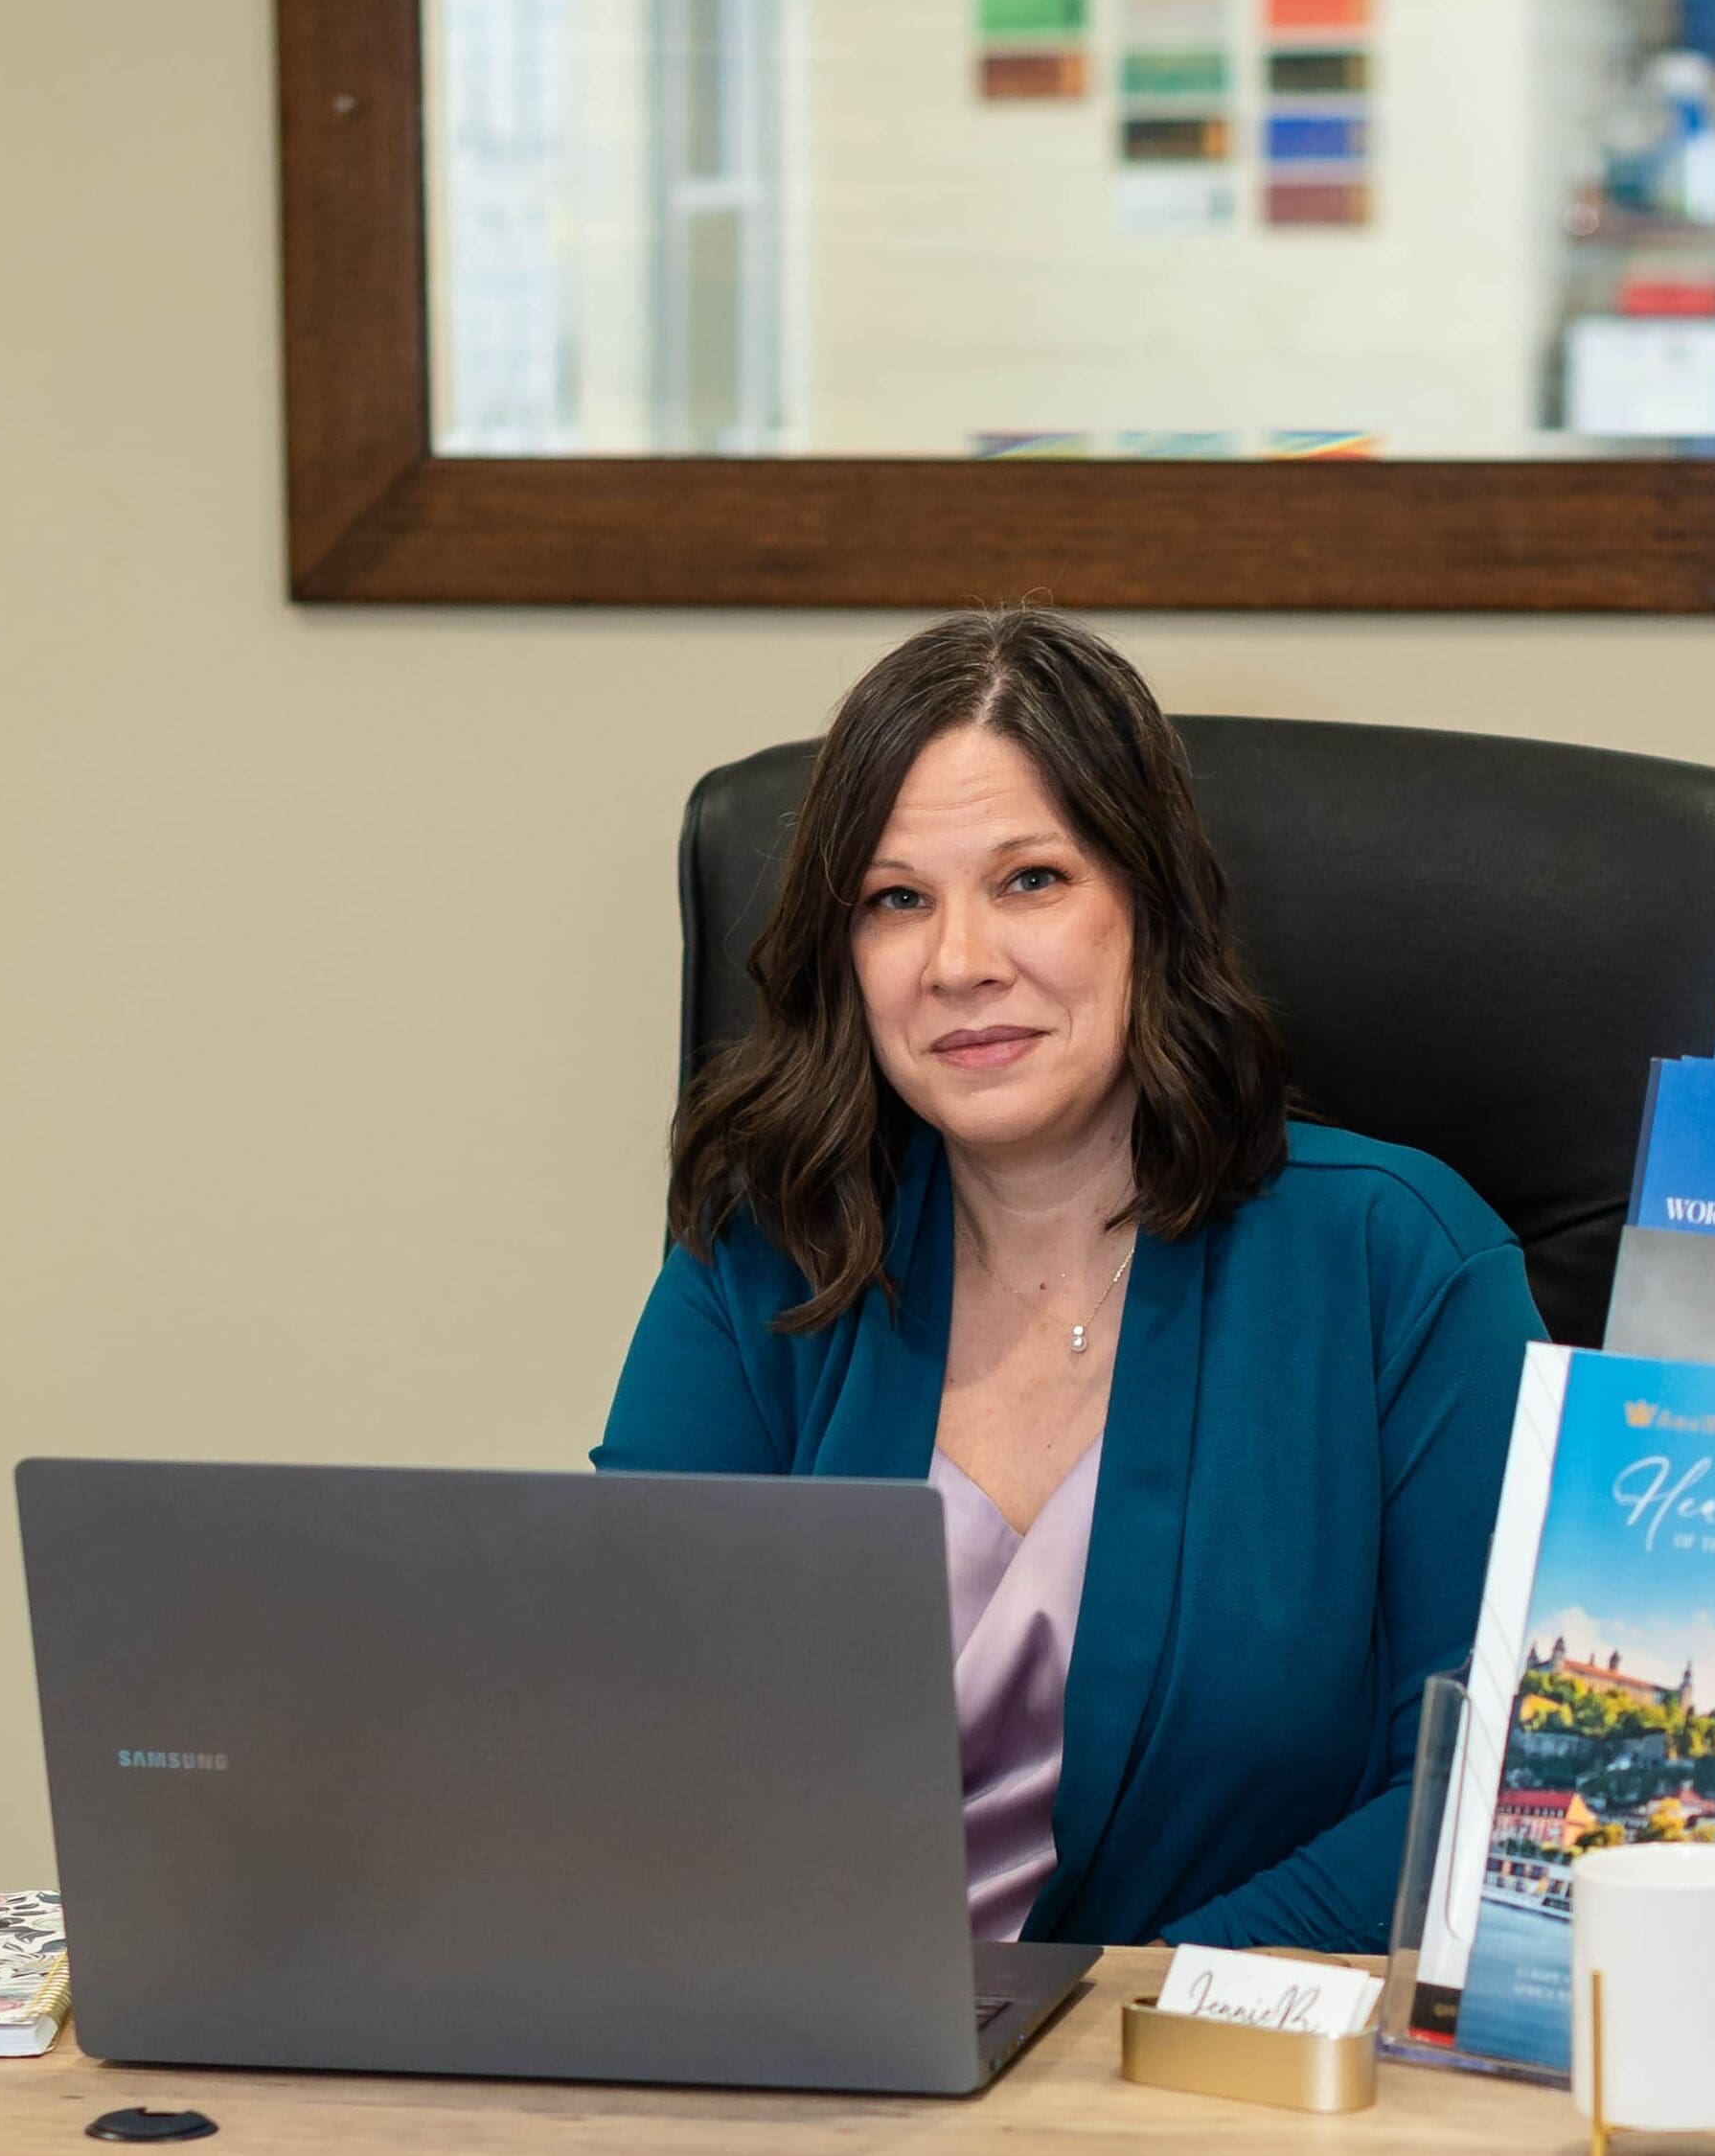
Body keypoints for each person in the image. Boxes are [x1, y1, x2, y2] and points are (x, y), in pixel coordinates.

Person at [595, 608, 1545, 1951]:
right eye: (894, 900)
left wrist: (1112, 2030)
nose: (960, 962)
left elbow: (1469, 1794)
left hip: (1228, 2093)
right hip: (808, 2075)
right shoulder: (766, 1251)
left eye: (1030, 880)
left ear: (1148, 903)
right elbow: (620, 1729)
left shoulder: (1396, 1259)